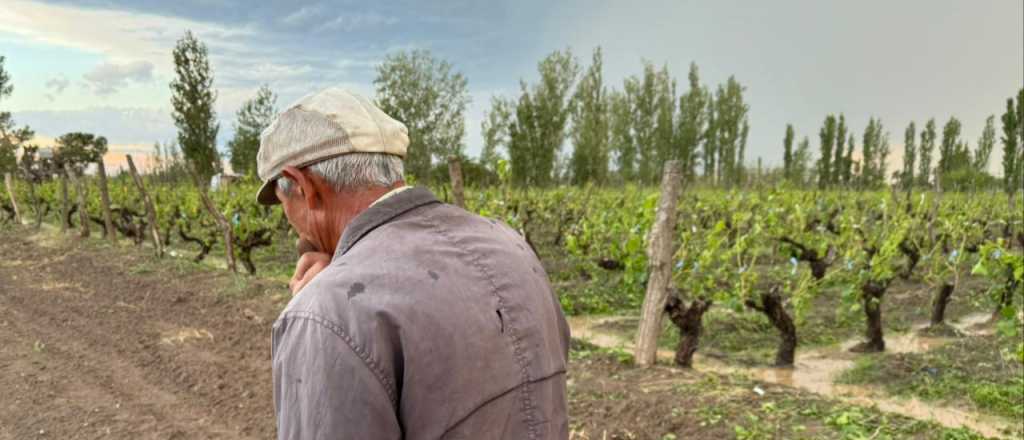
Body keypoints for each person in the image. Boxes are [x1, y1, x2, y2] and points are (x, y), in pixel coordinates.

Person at [257, 88, 570, 439]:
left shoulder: (326, 313)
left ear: (303, 186)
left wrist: (317, 307)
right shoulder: (512, 246)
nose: (288, 221)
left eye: (282, 202)